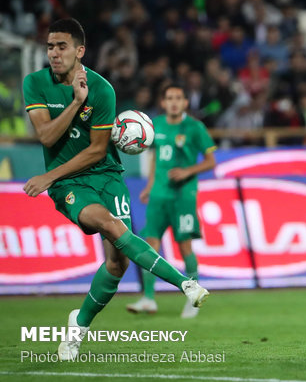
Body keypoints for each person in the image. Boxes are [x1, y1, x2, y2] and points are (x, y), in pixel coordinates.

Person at [22, 18, 209, 360]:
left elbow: (96, 150)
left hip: (107, 175)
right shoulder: (35, 83)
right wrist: (76, 104)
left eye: (62, 46)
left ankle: (78, 324)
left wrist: (84, 99)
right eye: (50, 46)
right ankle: (185, 283)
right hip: (68, 182)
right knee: (110, 224)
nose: (54, 53)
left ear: (80, 50)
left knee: (117, 264)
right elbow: (47, 136)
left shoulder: (102, 89)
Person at [126, 83, 217, 318]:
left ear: (186, 103)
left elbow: (211, 161)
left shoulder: (195, 127)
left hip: (183, 195)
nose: (174, 102)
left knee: (184, 245)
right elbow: (156, 157)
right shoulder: (156, 125)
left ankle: (193, 297)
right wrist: (148, 186)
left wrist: (187, 172)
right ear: (163, 103)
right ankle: (148, 298)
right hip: (158, 194)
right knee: (150, 244)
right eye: (169, 98)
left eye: (178, 98)